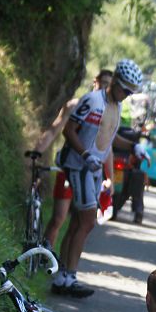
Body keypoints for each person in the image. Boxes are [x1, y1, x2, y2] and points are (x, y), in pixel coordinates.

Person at [51, 59, 147, 298]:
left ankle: (63, 275)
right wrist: (84, 154)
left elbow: (109, 139)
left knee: (78, 223)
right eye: (124, 89)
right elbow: (69, 130)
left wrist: (134, 146)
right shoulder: (93, 101)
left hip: (93, 169)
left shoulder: (116, 106)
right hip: (80, 167)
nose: (126, 95)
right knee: (87, 222)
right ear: (114, 81)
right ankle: (69, 275)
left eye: (130, 92)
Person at [41, 69, 114, 251]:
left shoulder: (110, 111)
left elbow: (108, 148)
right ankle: (45, 256)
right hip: (70, 168)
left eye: (109, 84)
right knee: (59, 217)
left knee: (80, 221)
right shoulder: (76, 105)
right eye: (103, 82)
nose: (105, 87)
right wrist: (37, 152)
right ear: (94, 81)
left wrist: (110, 177)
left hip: (91, 174)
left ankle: (64, 266)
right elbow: (55, 129)